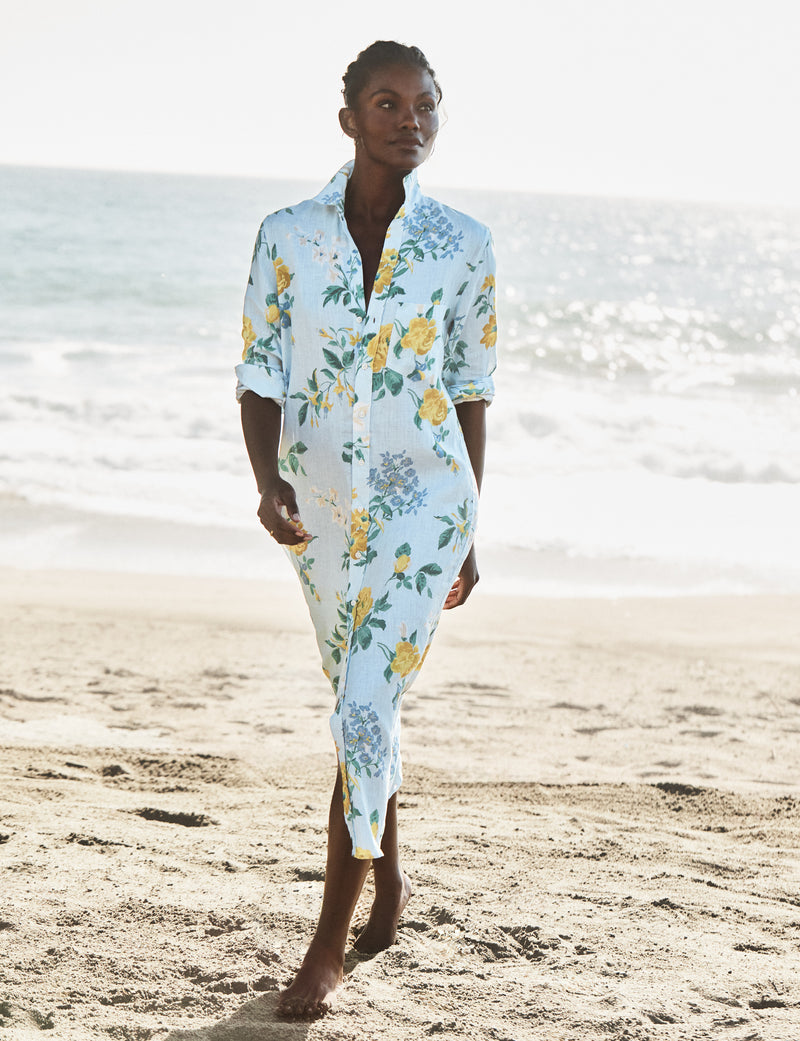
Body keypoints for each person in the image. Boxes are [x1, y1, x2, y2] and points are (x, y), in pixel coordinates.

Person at [236, 40, 497, 1017]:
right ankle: (388, 883)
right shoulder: (287, 236)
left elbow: (469, 390)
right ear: (347, 118)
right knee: (362, 702)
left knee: (360, 708)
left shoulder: (462, 244)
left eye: (424, 105)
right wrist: (268, 486)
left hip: (425, 507)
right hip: (320, 508)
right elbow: (259, 370)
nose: (408, 120)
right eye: (385, 104)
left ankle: (327, 950)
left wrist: (469, 526)